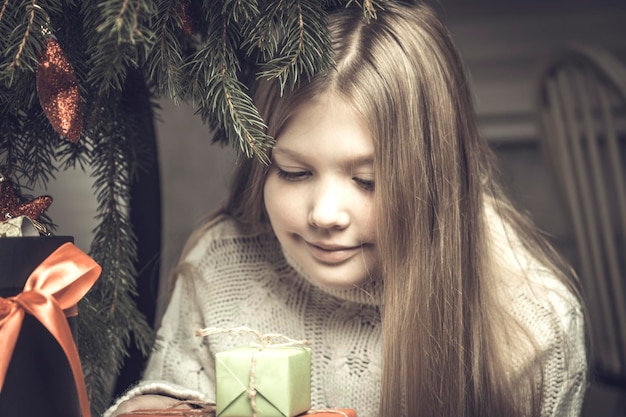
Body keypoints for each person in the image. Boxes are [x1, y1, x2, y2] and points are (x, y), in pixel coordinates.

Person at [105, 2, 587, 416]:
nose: (325, 214)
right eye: (294, 172)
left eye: (368, 181)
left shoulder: (529, 325)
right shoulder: (224, 266)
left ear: (436, 182)